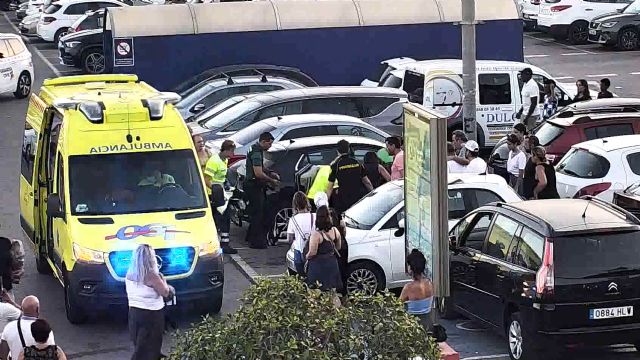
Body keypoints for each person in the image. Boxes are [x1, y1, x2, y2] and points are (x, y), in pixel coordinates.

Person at [125, 244, 174, 360]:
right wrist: (164, 280)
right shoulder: (152, 276)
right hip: (151, 317)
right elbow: (166, 293)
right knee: (150, 350)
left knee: (140, 348)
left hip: (134, 315)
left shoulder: (130, 274)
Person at [244, 132, 280, 249]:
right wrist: (271, 180)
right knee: (258, 214)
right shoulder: (256, 153)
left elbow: (259, 167)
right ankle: (256, 242)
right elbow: (258, 173)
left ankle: (249, 236)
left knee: (257, 212)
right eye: (269, 143)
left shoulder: (255, 148)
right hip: (253, 185)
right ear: (263, 141)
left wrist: (269, 172)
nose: (270, 146)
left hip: (251, 184)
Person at [204, 140, 237, 254]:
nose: (233, 154)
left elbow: (221, 178)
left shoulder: (224, 160)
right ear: (226, 150)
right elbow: (207, 179)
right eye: (232, 151)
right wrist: (216, 191)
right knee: (218, 220)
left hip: (222, 194)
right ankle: (219, 244)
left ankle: (224, 244)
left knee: (225, 219)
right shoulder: (214, 161)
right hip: (214, 195)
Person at [326, 140, 373, 216]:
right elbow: (367, 182)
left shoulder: (336, 165)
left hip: (343, 199)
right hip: (358, 198)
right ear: (348, 149)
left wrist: (326, 202)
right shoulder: (356, 162)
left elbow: (330, 187)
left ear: (337, 151)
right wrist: (372, 193)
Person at [305, 206, 343, 293]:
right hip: (332, 264)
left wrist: (306, 256)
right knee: (332, 293)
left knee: (315, 293)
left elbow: (312, 252)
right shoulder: (335, 230)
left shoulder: (316, 235)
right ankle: (336, 307)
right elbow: (338, 247)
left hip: (318, 266)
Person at [400, 249, 434, 331]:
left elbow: (397, 306)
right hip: (428, 325)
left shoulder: (408, 287)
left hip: (413, 328)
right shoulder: (429, 283)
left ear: (410, 268)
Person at [287, 192, 315, 275]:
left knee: (301, 277)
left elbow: (289, 239)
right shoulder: (314, 216)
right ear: (307, 202)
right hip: (313, 250)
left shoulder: (293, 220)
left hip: (299, 252)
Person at [329, 208, 348, 296]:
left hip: (335, 253)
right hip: (343, 249)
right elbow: (344, 232)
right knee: (343, 272)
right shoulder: (339, 226)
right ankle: (343, 293)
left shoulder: (330, 230)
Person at [516, 68, 540, 132]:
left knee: (530, 133)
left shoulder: (532, 85)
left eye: (522, 75)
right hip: (525, 113)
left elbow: (533, 103)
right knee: (521, 132)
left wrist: (527, 117)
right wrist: (520, 111)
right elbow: (525, 102)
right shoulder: (525, 84)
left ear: (528, 75)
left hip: (531, 115)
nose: (521, 76)